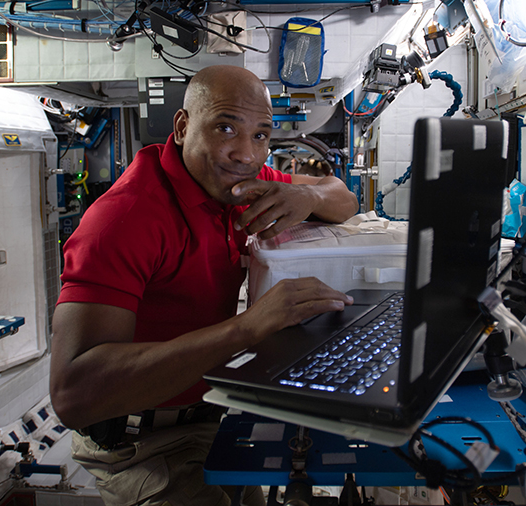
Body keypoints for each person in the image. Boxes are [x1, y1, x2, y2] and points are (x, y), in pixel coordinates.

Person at [50, 65, 358, 505]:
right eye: (225, 127)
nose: (246, 154)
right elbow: (73, 394)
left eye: (261, 135)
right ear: (182, 127)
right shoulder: (125, 220)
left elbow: (343, 197)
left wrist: (307, 197)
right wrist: (247, 329)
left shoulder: (238, 184)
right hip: (140, 445)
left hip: (214, 418)